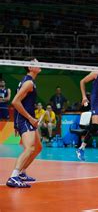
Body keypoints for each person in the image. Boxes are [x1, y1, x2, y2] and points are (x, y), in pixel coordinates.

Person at [6, 58, 42, 188]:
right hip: (25, 119)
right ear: (30, 67)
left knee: (38, 148)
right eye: (36, 63)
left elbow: (21, 101)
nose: (39, 64)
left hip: (26, 119)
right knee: (30, 148)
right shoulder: (28, 83)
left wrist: (18, 122)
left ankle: (21, 173)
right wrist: (29, 119)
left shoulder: (29, 82)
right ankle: (13, 177)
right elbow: (15, 102)